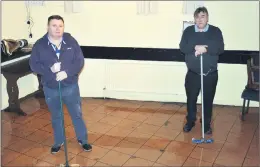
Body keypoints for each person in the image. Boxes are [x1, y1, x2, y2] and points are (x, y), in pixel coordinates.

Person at [29, 15, 92, 154]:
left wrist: (67, 72)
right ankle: (59, 141)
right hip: (51, 88)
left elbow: (79, 61)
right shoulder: (40, 45)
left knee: (77, 114)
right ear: (48, 27)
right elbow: (33, 65)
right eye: (54, 25)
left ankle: (83, 140)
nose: (58, 29)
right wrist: (50, 70)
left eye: (60, 26)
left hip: (70, 86)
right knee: (57, 116)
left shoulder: (70, 41)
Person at [179, 7, 224, 134]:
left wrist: (206, 49)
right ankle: (190, 121)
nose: (200, 19)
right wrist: (195, 47)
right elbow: (182, 47)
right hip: (193, 74)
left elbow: (220, 48)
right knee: (191, 99)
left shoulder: (215, 31)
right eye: (197, 17)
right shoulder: (188, 31)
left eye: (202, 16)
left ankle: (206, 124)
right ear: (194, 19)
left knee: (208, 100)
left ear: (207, 18)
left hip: (210, 74)